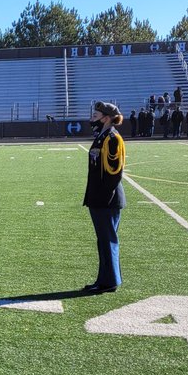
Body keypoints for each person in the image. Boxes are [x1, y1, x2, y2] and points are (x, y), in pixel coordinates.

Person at [82, 101, 126, 295]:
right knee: (103, 240)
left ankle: (110, 281)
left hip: (107, 199)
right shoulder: (101, 137)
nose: (92, 119)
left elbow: (114, 173)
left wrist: (103, 197)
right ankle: (103, 279)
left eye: (95, 116)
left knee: (108, 240)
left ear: (106, 118)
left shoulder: (112, 138)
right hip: (98, 197)